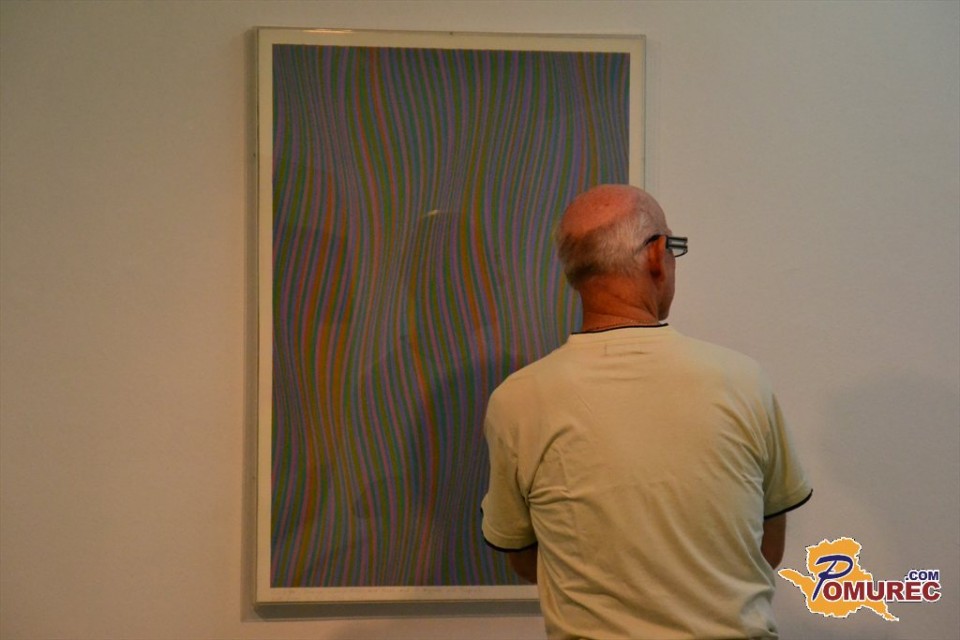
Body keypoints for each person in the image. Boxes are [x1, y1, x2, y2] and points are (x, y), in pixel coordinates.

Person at [480, 184, 812, 639]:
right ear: (656, 255)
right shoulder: (743, 381)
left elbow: (523, 557)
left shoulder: (517, 401)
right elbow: (766, 546)